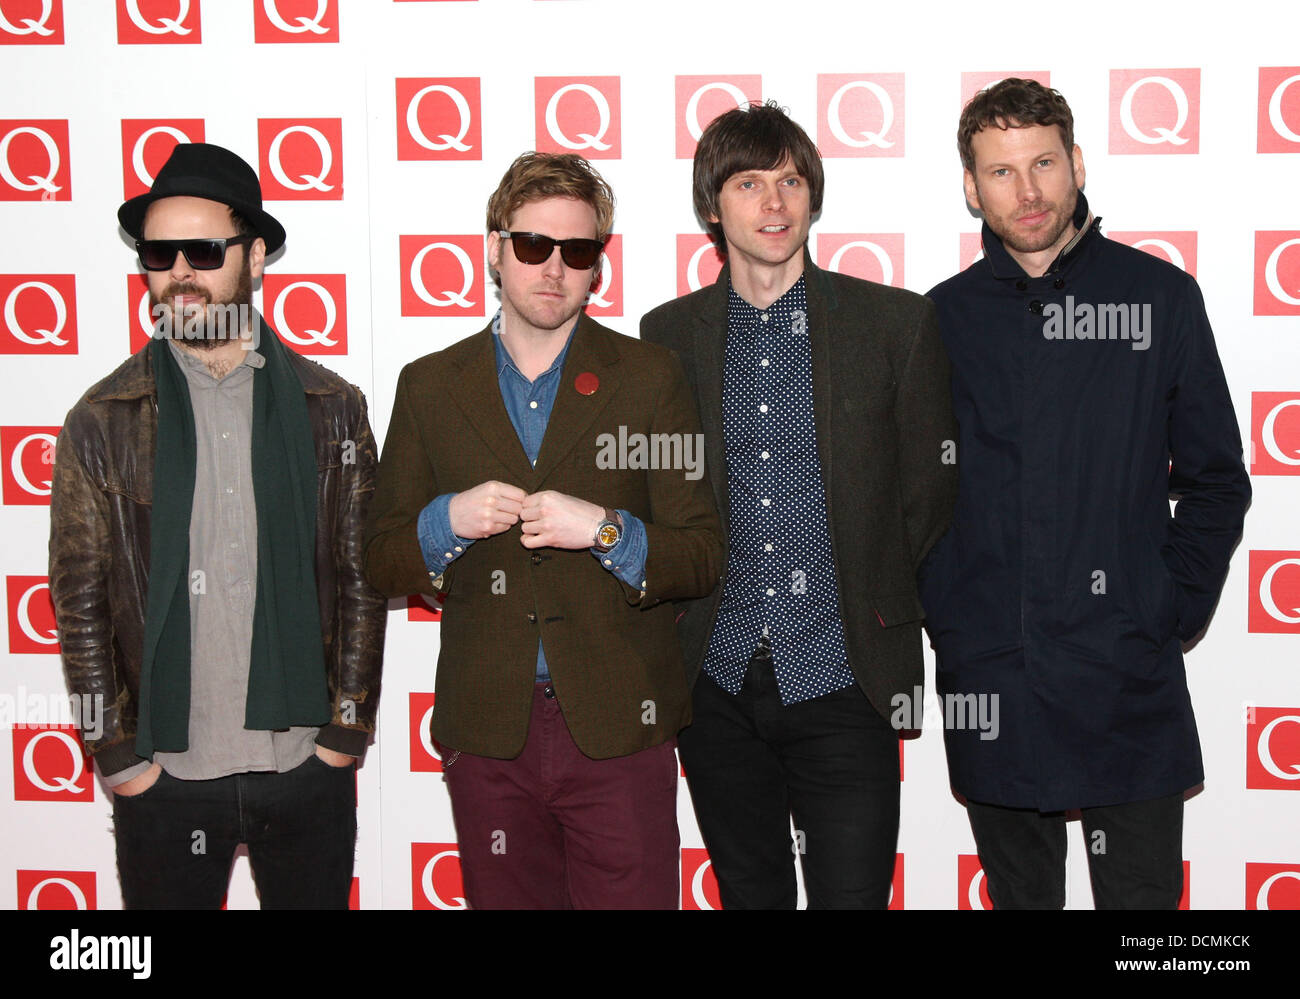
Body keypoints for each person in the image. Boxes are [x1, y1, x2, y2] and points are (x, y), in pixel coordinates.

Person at [922, 78, 1251, 909]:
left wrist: (1164, 605)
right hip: (990, 674)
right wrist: (950, 609)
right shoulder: (938, 321)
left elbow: (1216, 480)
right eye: (1000, 171)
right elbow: (910, 494)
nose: (1026, 190)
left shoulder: (1160, 298)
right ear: (971, 186)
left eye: (1042, 163)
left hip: (1126, 672)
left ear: (1076, 163)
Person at [363, 151, 723, 909]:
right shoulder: (429, 385)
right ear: (495, 248)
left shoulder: (650, 376)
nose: (553, 267)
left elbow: (699, 554)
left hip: (622, 725)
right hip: (490, 729)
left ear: (599, 266)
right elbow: (378, 558)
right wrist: (445, 522)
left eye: (578, 251)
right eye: (532, 245)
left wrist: (609, 531)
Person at [48, 142, 387, 909]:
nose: (179, 272)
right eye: (159, 252)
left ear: (255, 256)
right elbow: (81, 603)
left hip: (304, 763)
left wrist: (344, 733)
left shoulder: (330, 408)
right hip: (166, 775)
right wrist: (116, 756)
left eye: (202, 249)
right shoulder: (102, 421)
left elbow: (363, 578)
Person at [640, 101, 958, 909]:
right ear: (713, 207)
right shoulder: (666, 337)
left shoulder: (895, 324)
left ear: (814, 196)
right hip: (713, 680)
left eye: (790, 181)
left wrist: (883, 599)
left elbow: (928, 497)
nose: (774, 203)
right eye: (749, 183)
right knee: (750, 894)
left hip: (847, 678)